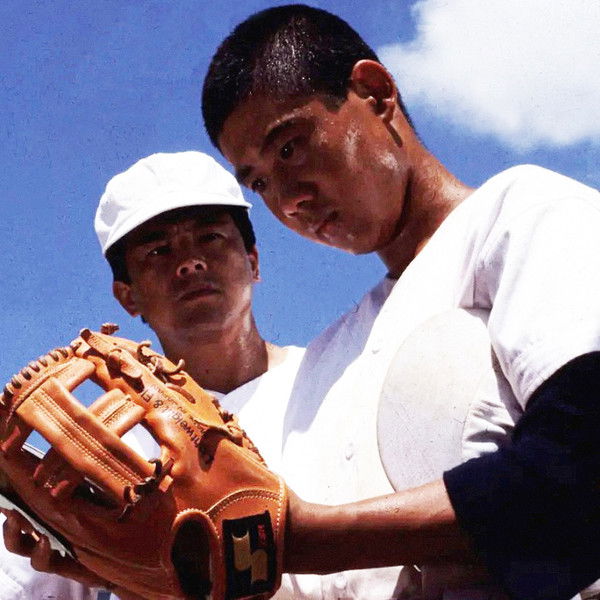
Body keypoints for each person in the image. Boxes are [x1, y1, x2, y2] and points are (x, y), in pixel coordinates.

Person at [201, 5, 600, 600]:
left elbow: (581, 463)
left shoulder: (524, 214)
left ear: (376, 93)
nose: (286, 200)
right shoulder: (323, 365)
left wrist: (314, 540)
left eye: (288, 149)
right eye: (258, 182)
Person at [0, 151, 305, 599]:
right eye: (158, 251)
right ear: (127, 297)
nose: (190, 262)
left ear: (253, 261)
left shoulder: (339, 375)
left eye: (211, 237)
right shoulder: (98, 445)